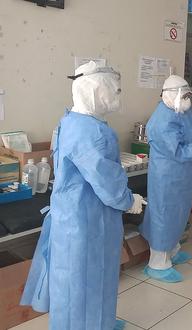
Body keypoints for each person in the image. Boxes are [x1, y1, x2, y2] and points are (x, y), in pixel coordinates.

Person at [21, 61, 145, 330]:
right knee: (82, 285)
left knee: (89, 280)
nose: (117, 95)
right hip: (86, 221)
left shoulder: (71, 121)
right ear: (96, 90)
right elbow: (105, 179)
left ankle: (101, 322)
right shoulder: (91, 132)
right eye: (116, 89)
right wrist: (128, 200)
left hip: (78, 216)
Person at [140, 75, 192, 283]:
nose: (188, 99)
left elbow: (190, 140)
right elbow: (176, 150)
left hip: (183, 176)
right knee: (164, 216)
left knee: (180, 214)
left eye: (188, 95)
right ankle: (157, 263)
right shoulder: (162, 120)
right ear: (169, 96)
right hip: (167, 176)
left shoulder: (185, 113)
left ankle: (173, 251)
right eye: (184, 96)